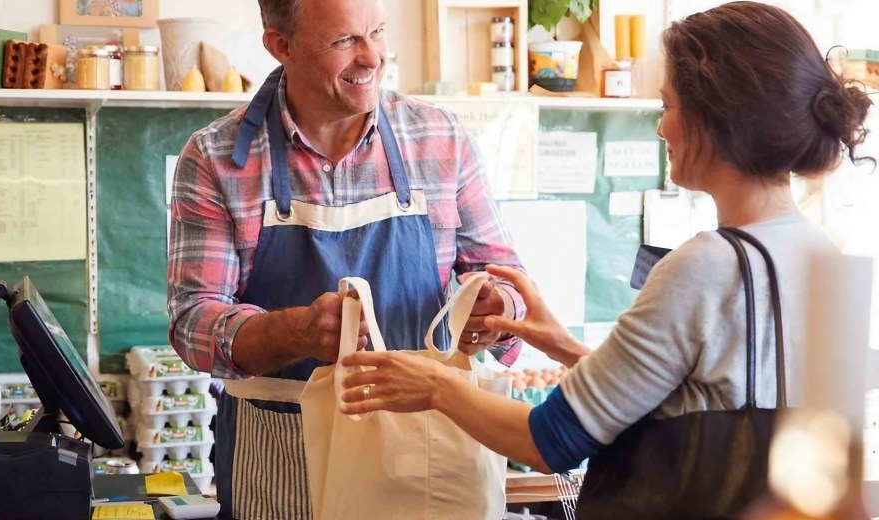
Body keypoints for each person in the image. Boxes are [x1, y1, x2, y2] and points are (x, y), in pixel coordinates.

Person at [341, 0, 872, 508]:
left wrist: (435, 386)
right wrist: (567, 348)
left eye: (668, 106)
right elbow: (709, 402)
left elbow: (548, 442)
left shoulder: (705, 266)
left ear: (719, 117)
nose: (662, 126)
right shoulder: (819, 254)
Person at [166, 0, 526, 518]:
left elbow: (509, 282)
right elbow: (192, 322)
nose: (372, 57)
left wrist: (497, 314)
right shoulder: (216, 159)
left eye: (376, 32)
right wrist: (295, 332)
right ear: (280, 46)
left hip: (422, 458)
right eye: (344, 42)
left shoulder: (438, 138)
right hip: (282, 465)